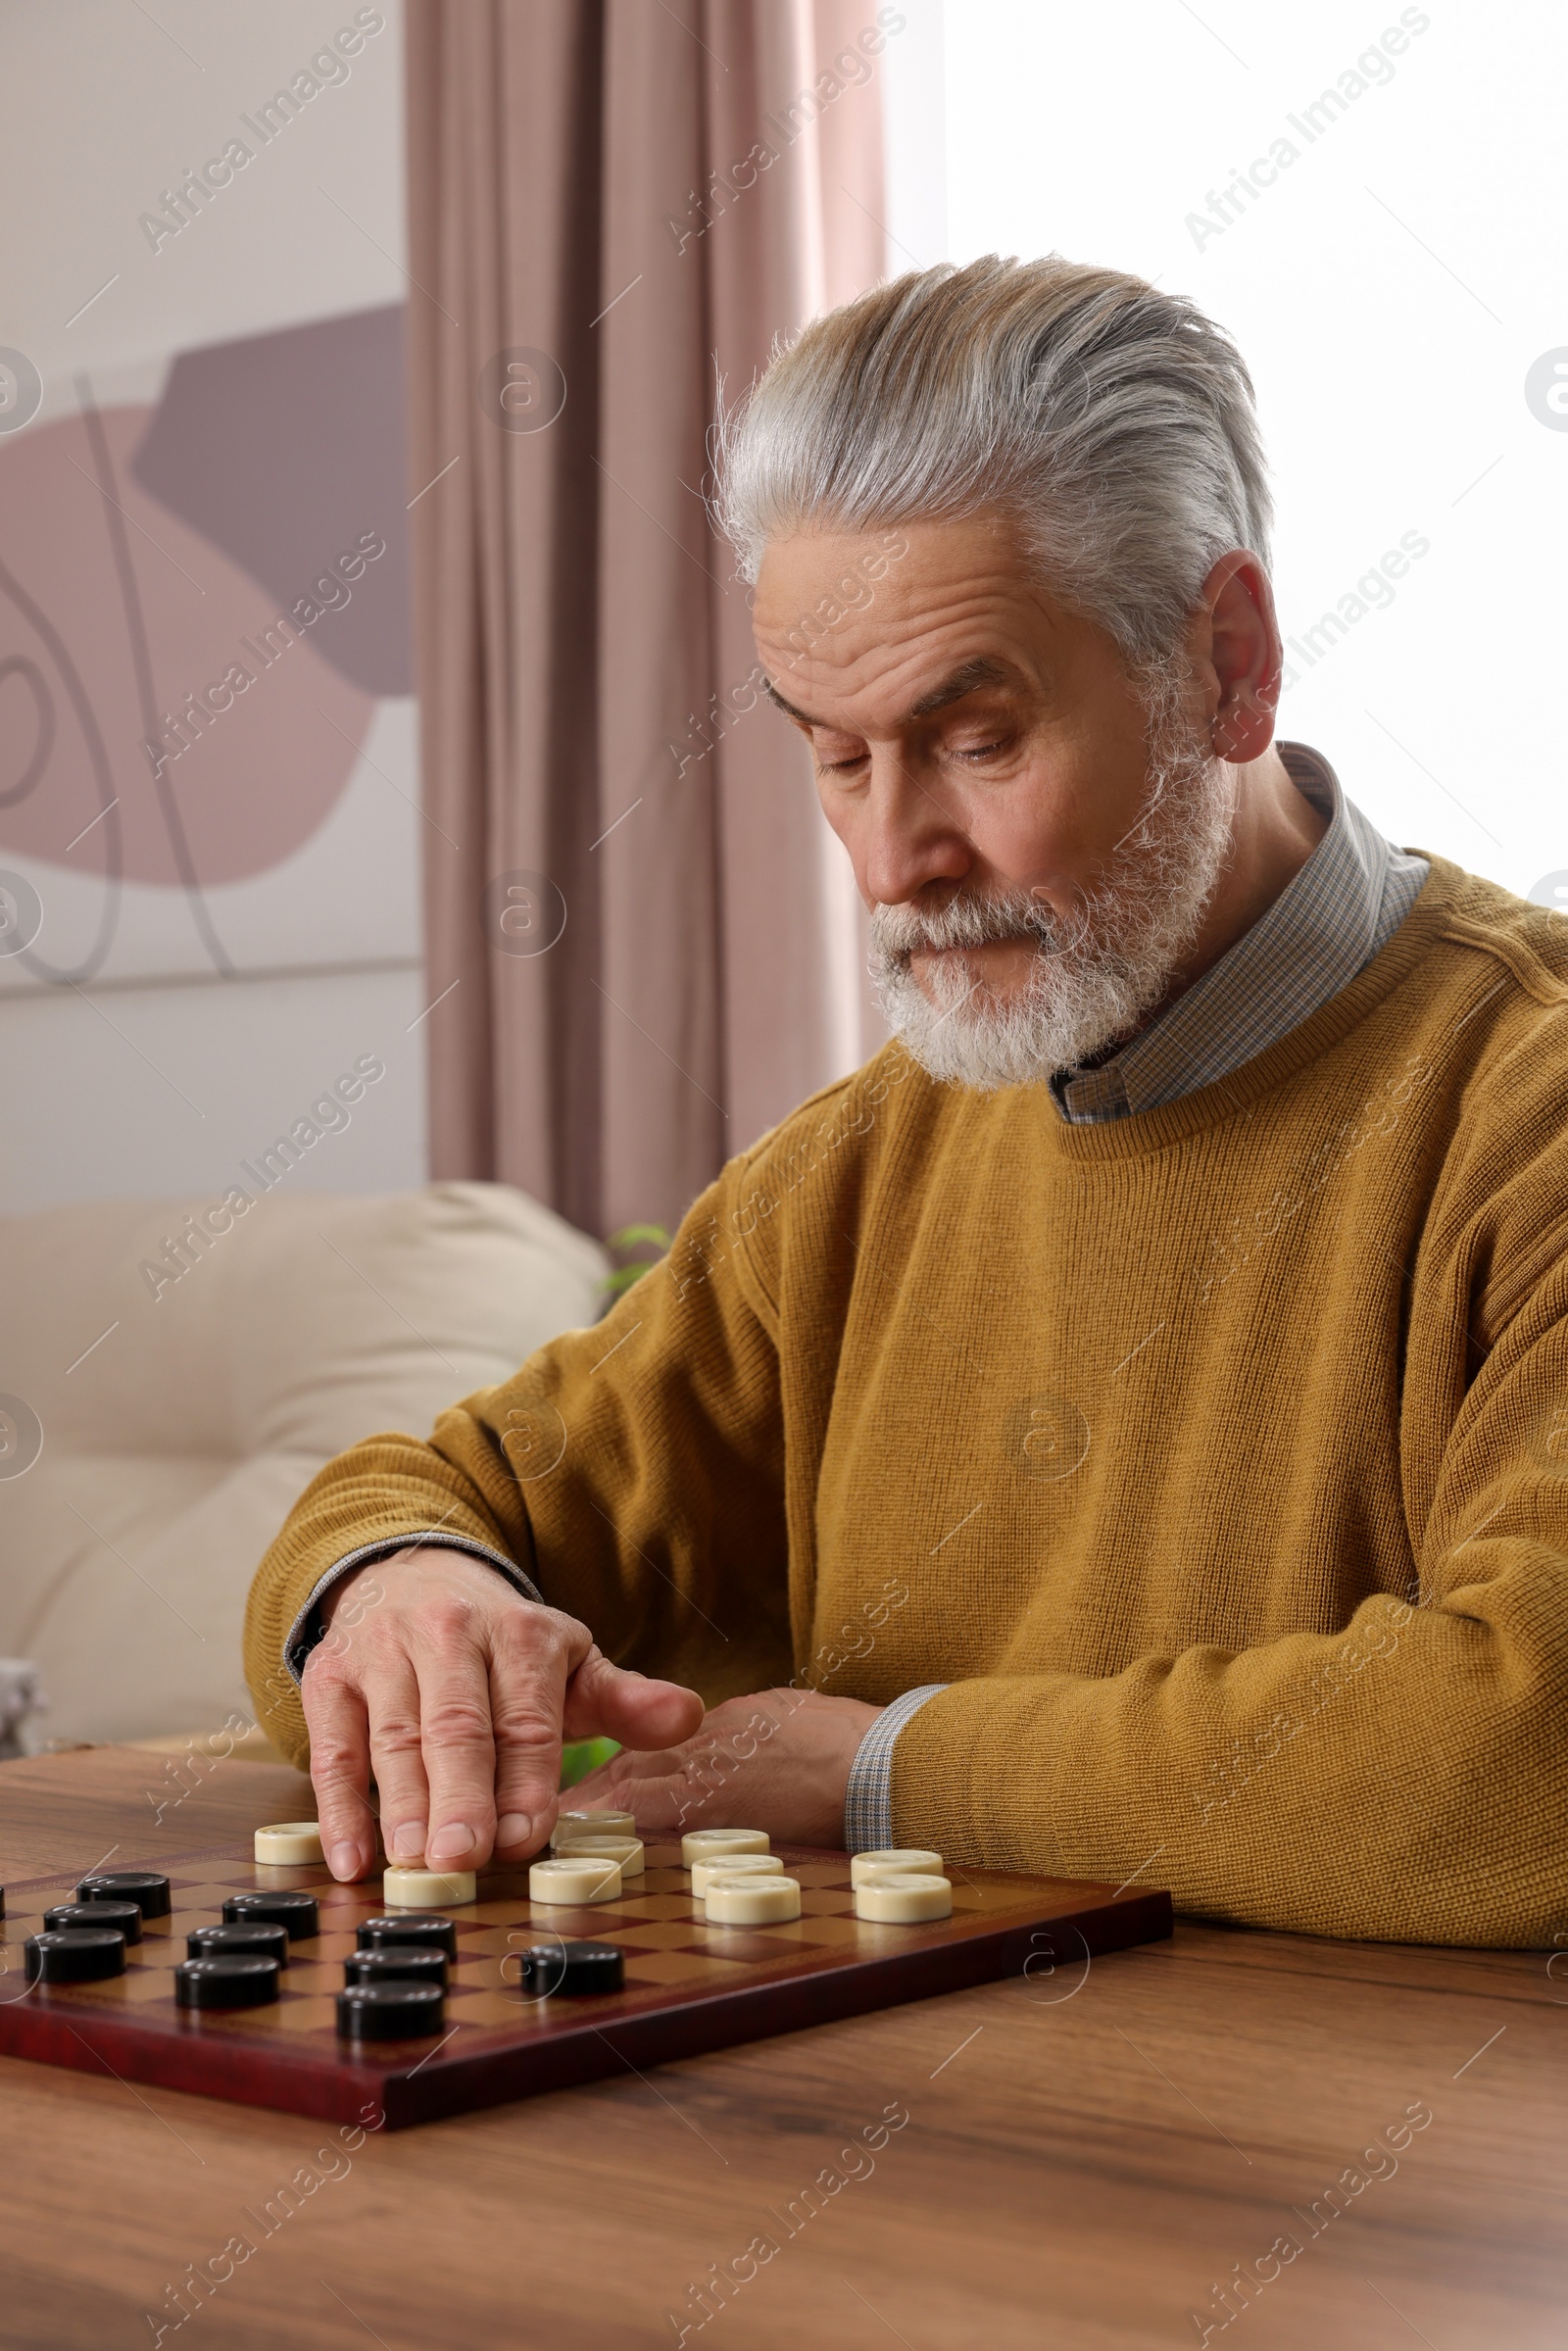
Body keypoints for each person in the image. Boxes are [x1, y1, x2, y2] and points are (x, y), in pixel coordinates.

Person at [246, 256, 1568, 1945]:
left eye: (976, 738)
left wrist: (886, 1767)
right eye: (834, 752)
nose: (892, 862)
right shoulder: (856, 1168)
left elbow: (1527, 1754)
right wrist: (403, 1598)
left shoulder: (1523, 1102)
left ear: (1229, 664)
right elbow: (414, 1499)